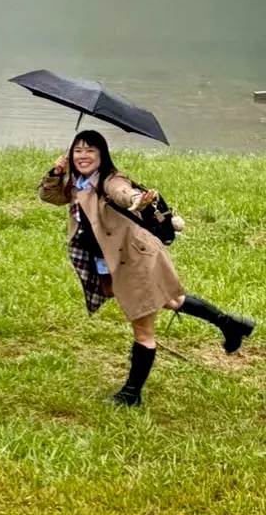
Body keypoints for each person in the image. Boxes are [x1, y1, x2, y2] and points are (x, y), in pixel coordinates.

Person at [39, 129, 254, 407]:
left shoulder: (110, 180)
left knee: (143, 327)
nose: (83, 156)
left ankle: (131, 394)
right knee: (172, 300)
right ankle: (230, 324)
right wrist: (56, 171)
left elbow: (123, 194)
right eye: (78, 150)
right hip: (118, 260)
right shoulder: (76, 183)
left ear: (102, 155)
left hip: (135, 260)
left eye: (90, 150)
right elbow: (50, 196)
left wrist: (136, 200)